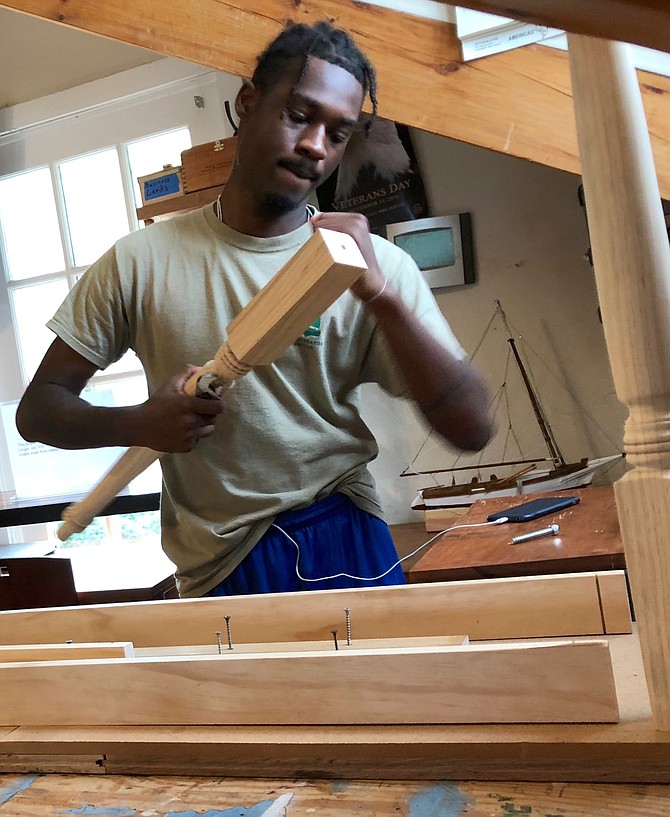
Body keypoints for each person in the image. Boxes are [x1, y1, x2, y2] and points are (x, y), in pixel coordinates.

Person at [16, 21, 492, 598]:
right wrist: (137, 422)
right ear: (247, 103)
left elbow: (472, 429)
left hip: (342, 534)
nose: (317, 145)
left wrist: (382, 299)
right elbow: (38, 412)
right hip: (218, 565)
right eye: (299, 115)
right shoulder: (138, 263)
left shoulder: (377, 267)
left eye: (338, 134)